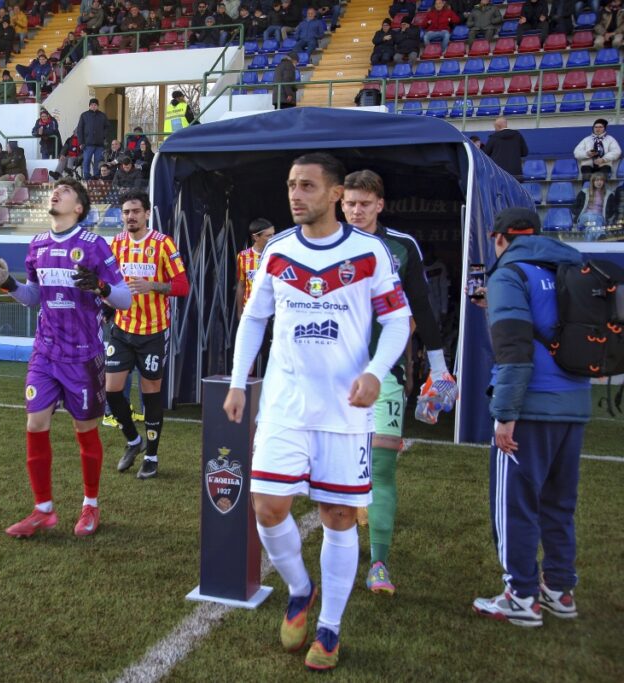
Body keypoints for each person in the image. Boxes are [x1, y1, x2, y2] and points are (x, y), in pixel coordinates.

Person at [222, 153, 410, 672]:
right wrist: (238, 382)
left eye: (307, 185)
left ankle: (329, 627)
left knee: (338, 516)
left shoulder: (369, 251)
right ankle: (301, 588)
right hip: (285, 403)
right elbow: (254, 319)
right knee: (266, 507)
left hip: (345, 411)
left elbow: (398, 320)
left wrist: (375, 371)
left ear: (335, 194)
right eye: (291, 185)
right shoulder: (277, 249)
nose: (295, 194)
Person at [0, 178, 131, 537]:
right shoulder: (37, 245)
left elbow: (124, 299)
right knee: (35, 424)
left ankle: (90, 505)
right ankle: (43, 510)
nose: (56, 192)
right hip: (45, 352)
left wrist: (101, 287)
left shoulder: (94, 245)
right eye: (55, 189)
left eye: (65, 191)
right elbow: (34, 296)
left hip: (83, 356)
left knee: (85, 430)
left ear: (78, 207)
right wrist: (7, 282)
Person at [471, 207, 590, 627]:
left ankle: (520, 595)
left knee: (516, 505)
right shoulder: (570, 268)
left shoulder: (509, 275)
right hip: (574, 402)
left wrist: (505, 414)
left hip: (530, 406)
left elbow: (514, 349)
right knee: (559, 504)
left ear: (499, 238)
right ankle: (559, 588)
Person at [340, 170, 457, 595]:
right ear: (340, 203)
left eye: (364, 204)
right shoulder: (324, 242)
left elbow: (421, 307)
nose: (356, 211)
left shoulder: (401, 247)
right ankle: (340, 551)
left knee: (382, 467)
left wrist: (439, 368)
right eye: (350, 204)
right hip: (333, 374)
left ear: (380, 205)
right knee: (335, 467)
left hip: (385, 373)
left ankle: (379, 564)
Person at [105, 190, 189, 479]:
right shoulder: (116, 244)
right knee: (112, 391)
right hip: (122, 329)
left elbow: (182, 286)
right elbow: (109, 283)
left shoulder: (163, 244)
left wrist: (152, 285)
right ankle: (133, 440)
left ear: (147, 213)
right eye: (126, 212)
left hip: (153, 331)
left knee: (151, 394)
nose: (130, 216)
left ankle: (151, 456)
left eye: (136, 211)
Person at [236, 218, 276, 314]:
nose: (273, 238)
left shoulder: (277, 255)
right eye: (269, 235)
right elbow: (241, 285)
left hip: (273, 311)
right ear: (256, 237)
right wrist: (239, 312)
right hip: (251, 310)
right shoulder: (243, 256)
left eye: (273, 234)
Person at [75, 97, 110, 180]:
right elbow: (79, 129)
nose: (93, 106)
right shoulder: (84, 115)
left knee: (98, 161)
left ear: (98, 106)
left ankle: (96, 177)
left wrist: (103, 136)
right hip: (87, 144)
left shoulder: (102, 115)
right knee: (86, 160)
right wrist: (81, 143)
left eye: (95, 105)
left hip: (99, 144)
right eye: (92, 105)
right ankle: (87, 177)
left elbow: (107, 127)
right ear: (89, 106)